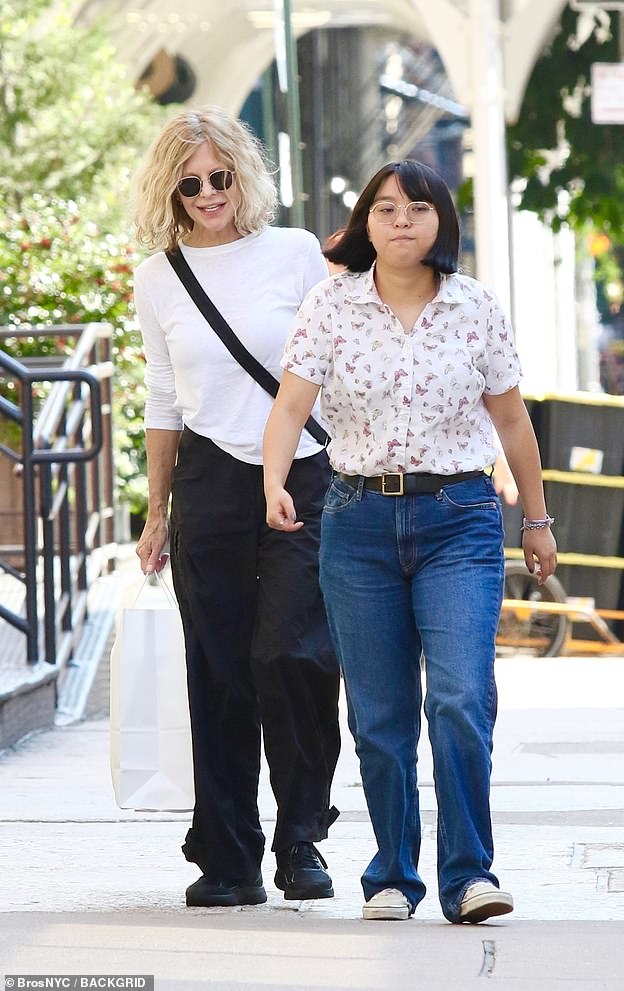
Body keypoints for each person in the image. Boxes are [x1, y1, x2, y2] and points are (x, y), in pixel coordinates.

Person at [263, 160, 557, 924]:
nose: (400, 222)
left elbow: (514, 421)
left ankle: (469, 875)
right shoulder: (331, 305)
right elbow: (291, 405)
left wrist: (537, 518)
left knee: (460, 698)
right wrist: (274, 481)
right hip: (356, 521)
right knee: (380, 713)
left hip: (458, 516)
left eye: (416, 209)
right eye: (385, 209)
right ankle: (393, 872)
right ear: (365, 221)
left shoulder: (474, 307)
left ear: (440, 223)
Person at [132, 105, 341, 908]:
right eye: (191, 184)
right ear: (170, 189)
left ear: (243, 174)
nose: (209, 194)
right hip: (210, 480)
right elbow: (161, 393)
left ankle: (301, 835)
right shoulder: (160, 276)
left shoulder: (291, 253)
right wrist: (157, 510)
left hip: (305, 472)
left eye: (221, 178)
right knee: (217, 666)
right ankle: (228, 854)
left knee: (292, 652)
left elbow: (334, 361)